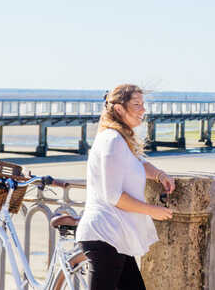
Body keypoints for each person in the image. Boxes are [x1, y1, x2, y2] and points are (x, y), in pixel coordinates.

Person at [76, 84, 175, 290]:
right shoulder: (111, 140)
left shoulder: (121, 140)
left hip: (117, 236)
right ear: (119, 109)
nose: (143, 110)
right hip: (104, 235)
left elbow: (138, 163)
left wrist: (159, 175)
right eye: (136, 104)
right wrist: (152, 211)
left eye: (143, 104)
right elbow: (114, 196)